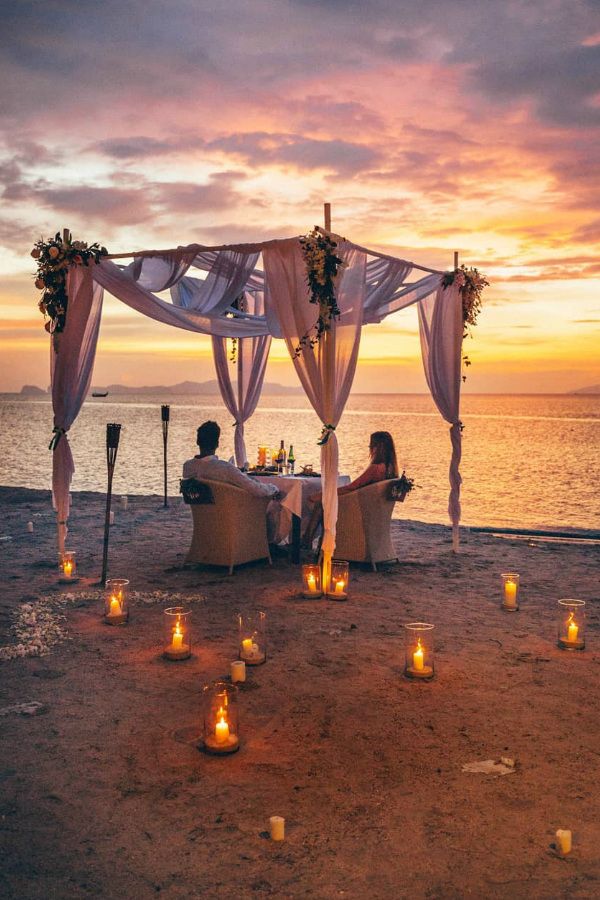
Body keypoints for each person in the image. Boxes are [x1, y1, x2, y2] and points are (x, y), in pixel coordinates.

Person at [303, 431, 399, 546]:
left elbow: (351, 488)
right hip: (372, 511)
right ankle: (309, 541)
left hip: (359, 511)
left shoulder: (376, 468)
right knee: (324, 502)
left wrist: (324, 495)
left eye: (371, 445)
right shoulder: (391, 469)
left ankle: (306, 541)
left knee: (322, 504)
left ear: (377, 448)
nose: (370, 448)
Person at [183, 421, 279, 500]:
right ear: (217, 444)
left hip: (202, 517)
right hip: (231, 516)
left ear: (197, 442)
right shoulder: (225, 469)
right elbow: (256, 490)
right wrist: (274, 488)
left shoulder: (187, 467)